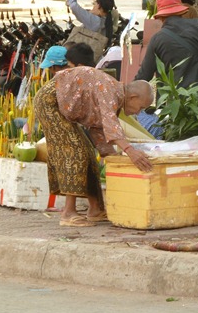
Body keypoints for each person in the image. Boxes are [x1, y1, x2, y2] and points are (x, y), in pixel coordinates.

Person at [34, 67, 154, 227]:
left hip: (63, 106)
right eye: (140, 107)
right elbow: (111, 125)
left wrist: (108, 154)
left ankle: (95, 209)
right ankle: (68, 213)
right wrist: (130, 151)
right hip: (50, 102)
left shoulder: (116, 97)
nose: (138, 113)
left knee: (89, 155)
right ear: (132, 97)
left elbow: (98, 126)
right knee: (74, 151)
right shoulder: (110, 91)